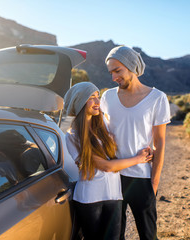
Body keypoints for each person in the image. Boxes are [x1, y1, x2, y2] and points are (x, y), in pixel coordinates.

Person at [63, 82, 153, 240]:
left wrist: (146, 147)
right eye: (92, 98)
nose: (98, 102)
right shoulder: (72, 136)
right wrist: (138, 159)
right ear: (80, 103)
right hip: (90, 198)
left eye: (98, 97)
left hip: (114, 194)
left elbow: (127, 134)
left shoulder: (103, 124)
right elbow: (106, 166)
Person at [99, 45, 171, 240]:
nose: (113, 77)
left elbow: (160, 143)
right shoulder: (108, 97)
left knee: (148, 236)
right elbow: (104, 134)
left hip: (142, 179)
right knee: (115, 235)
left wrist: (153, 184)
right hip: (114, 178)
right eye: (111, 72)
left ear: (131, 67)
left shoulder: (157, 98)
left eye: (117, 71)